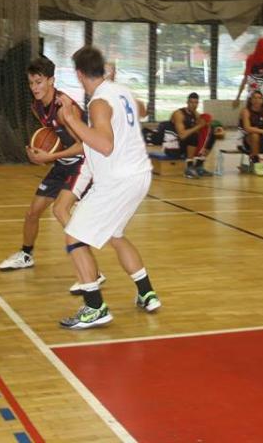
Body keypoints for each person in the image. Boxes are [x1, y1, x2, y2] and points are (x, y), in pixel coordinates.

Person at [54, 46, 160, 329]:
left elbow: (104, 145)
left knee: (74, 237)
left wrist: (71, 119)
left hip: (117, 181)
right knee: (116, 234)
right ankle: (146, 292)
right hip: (140, 176)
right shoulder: (121, 91)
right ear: (103, 69)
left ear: (79, 74)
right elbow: (142, 109)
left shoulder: (98, 103)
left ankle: (94, 307)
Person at [0, 56, 105, 294]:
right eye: (31, 83)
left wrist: (50, 156)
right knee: (32, 212)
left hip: (82, 164)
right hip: (62, 164)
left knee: (60, 210)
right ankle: (26, 255)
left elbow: (84, 145)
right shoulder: (37, 106)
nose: (34, 87)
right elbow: (52, 137)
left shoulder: (65, 108)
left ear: (51, 81)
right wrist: (37, 152)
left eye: (38, 82)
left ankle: (93, 273)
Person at [163, 92, 217, 179]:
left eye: (196, 103)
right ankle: (189, 167)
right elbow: (182, 135)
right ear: (187, 102)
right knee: (193, 135)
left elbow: (203, 129)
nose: (193, 105)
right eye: (191, 102)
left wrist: (214, 130)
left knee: (212, 135)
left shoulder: (196, 114)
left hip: (185, 144)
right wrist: (199, 126)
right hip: (173, 146)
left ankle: (199, 165)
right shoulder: (179, 114)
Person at [234, 37, 263, 120]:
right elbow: (245, 78)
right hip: (254, 96)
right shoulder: (251, 59)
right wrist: (238, 97)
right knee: (250, 119)